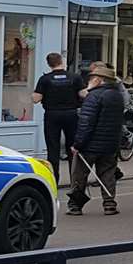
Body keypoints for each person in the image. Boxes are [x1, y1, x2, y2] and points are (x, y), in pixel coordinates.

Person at [67, 62, 126, 216]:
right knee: (108, 174)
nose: (89, 81)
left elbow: (86, 122)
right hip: (110, 144)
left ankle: (75, 205)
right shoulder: (117, 96)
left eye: (92, 78)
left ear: (99, 80)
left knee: (79, 176)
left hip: (90, 145)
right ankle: (109, 204)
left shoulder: (94, 96)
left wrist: (77, 144)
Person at [31, 53, 84, 181]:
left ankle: (54, 178)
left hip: (52, 115)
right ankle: (75, 179)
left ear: (49, 64)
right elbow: (83, 94)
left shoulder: (45, 79)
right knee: (72, 147)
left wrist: (32, 94)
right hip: (71, 114)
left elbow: (36, 99)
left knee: (53, 147)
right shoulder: (75, 77)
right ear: (62, 62)